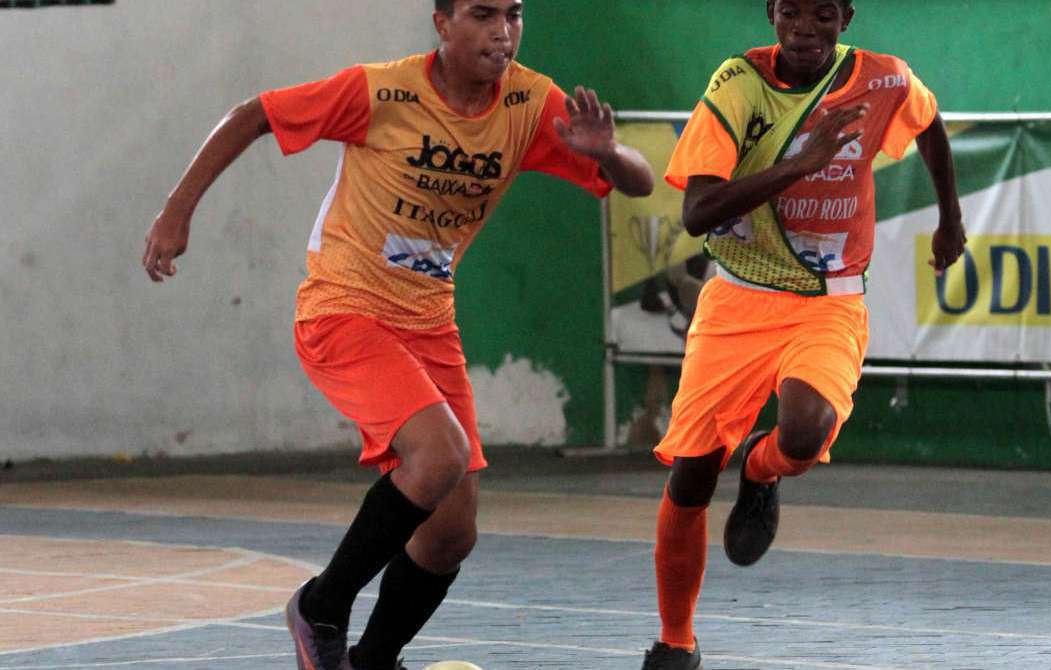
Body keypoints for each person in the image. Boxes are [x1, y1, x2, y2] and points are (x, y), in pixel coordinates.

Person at [142, 1, 654, 669]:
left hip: (429, 323)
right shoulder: (380, 90)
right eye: (482, 14)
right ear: (442, 24)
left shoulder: (531, 103)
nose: (503, 31)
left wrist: (608, 152)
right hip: (344, 309)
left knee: (450, 536)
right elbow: (254, 115)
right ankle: (320, 606)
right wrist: (176, 211)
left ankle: (372, 660)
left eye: (515, 14)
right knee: (438, 457)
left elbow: (637, 183)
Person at [641, 0, 966, 667]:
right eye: (792, 12)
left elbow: (929, 127)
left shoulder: (884, 80)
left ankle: (762, 469)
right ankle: (676, 644)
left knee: (806, 430)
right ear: (772, 13)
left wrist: (950, 221)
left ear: (846, 15)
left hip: (828, 300)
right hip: (737, 301)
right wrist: (802, 162)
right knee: (694, 476)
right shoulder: (738, 85)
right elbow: (699, 210)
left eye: (824, 14)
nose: (806, 30)